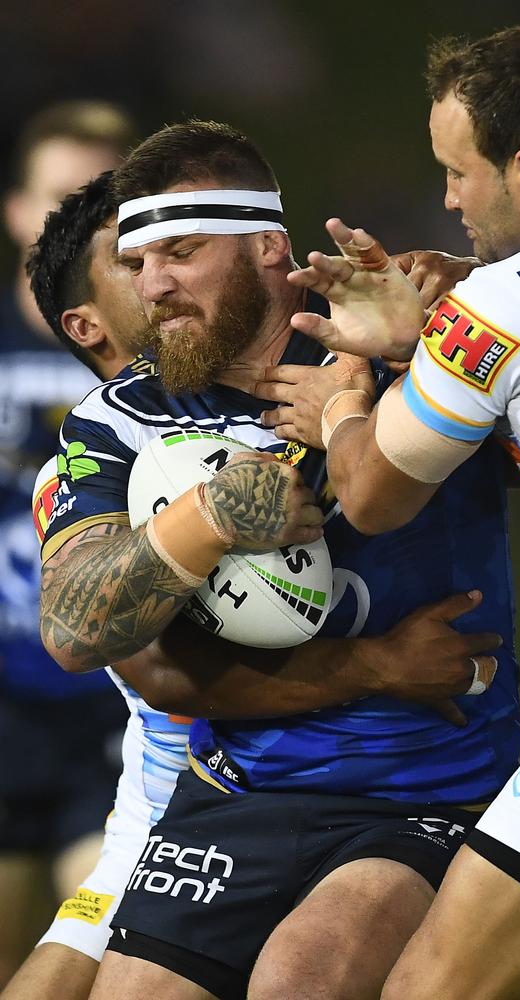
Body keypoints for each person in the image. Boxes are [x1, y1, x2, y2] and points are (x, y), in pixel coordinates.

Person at [33, 121, 520, 1000]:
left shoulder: (399, 344)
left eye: (179, 252)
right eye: (138, 262)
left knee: (303, 978)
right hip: (230, 788)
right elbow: (79, 631)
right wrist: (215, 518)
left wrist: (444, 319)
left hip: (425, 786)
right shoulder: (115, 421)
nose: (154, 286)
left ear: (267, 245)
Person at [279, 19, 520, 999]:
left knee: (428, 987)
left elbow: (373, 492)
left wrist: (349, 399)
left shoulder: (505, 306)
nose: (446, 198)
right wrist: (435, 334)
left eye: (457, 172)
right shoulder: (503, 300)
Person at [0, 100, 139, 987]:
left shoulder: (166, 356)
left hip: (119, 709)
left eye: (105, 202)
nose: (77, 225)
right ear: (17, 209)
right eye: (61, 199)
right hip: (4, 705)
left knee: (93, 957)